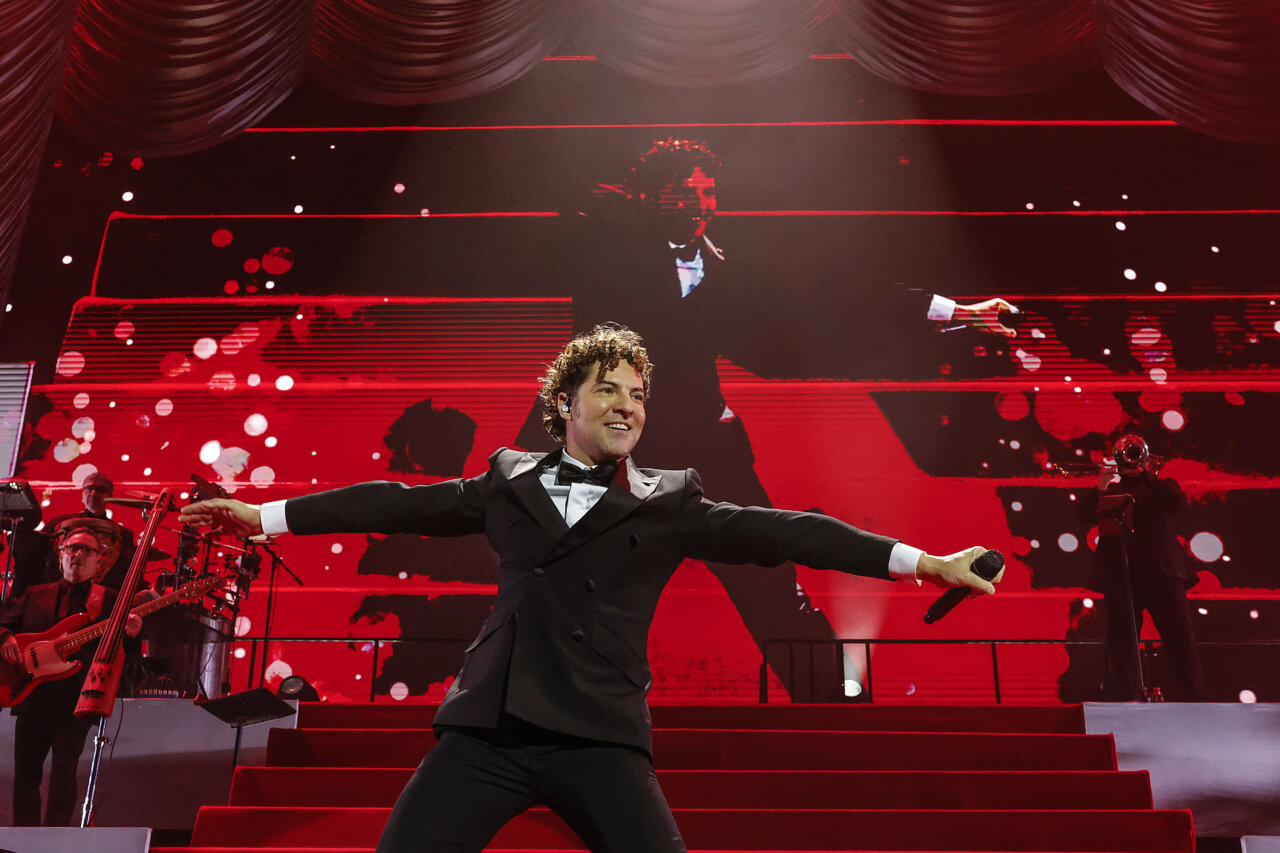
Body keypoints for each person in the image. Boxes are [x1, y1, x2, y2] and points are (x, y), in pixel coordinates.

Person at [180, 325, 1005, 852]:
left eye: (639, 393)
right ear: (563, 403)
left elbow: (790, 530)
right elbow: (396, 500)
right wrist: (265, 516)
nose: (628, 404)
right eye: (608, 387)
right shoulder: (506, 480)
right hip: (487, 733)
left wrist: (923, 561)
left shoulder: (672, 497)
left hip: (602, 738)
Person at [517, 138, 1016, 700]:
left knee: (771, 582)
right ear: (650, 196)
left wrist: (952, 312)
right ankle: (529, 708)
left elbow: (831, 297)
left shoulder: (724, 267)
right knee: (558, 584)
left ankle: (839, 708)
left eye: (709, 193)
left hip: (707, 452)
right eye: (685, 192)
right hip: (611, 453)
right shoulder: (609, 249)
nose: (701, 204)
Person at [0, 527, 145, 826]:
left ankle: (56, 840)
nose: (78, 554)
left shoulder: (110, 601)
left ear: (98, 561)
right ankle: (24, 842)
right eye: (72, 548)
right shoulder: (34, 594)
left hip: (75, 701)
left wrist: (132, 637)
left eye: (87, 550)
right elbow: (4, 624)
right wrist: (6, 639)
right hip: (31, 695)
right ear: (61, 555)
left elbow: (121, 657)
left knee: (64, 773)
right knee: (25, 775)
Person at [1092, 434, 1203, 701]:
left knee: (1180, 637)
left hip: (1163, 572)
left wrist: (1147, 475)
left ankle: (1194, 697)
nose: (1131, 459)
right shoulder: (1113, 487)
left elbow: (1176, 503)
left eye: (1135, 453)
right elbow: (1086, 513)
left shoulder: (1162, 485)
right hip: (1123, 573)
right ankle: (1124, 696)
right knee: (1121, 640)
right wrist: (1102, 485)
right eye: (1127, 454)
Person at [13, 471, 137, 598]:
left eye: (100, 490)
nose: (93, 493)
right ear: (82, 494)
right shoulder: (59, 523)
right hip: (58, 592)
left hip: (104, 596)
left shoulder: (123, 534)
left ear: (110, 496)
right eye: (89, 489)